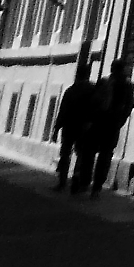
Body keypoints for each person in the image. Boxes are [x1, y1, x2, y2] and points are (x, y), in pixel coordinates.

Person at [72, 58, 134, 197]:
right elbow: (129, 106)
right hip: (112, 125)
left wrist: (88, 120)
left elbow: (92, 102)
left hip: (97, 122)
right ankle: (97, 187)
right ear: (123, 69)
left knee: (89, 153)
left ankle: (84, 182)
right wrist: (120, 121)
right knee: (105, 155)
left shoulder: (103, 82)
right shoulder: (128, 86)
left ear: (112, 69)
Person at [53, 62, 94, 191]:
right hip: (84, 127)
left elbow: (63, 110)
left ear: (77, 74)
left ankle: (62, 181)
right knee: (81, 154)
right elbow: (95, 109)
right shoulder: (93, 90)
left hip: (69, 126)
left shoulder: (70, 90)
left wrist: (56, 128)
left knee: (65, 154)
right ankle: (76, 177)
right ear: (88, 74)